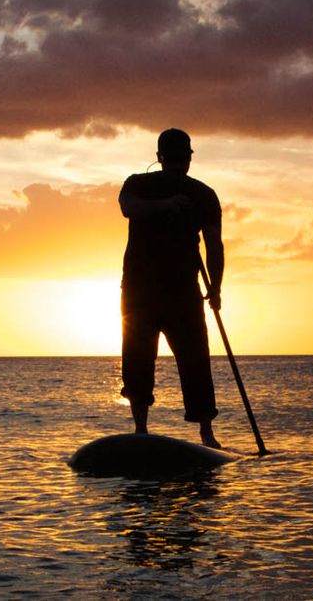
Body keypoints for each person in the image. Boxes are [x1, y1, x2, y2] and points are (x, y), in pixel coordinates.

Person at [119, 128, 223, 448]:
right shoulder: (138, 184)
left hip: (182, 292)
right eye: (174, 158)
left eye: (183, 158)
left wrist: (216, 288)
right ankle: (140, 429)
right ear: (160, 158)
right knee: (137, 359)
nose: (179, 164)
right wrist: (166, 206)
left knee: (195, 361)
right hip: (139, 292)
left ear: (189, 158)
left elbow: (214, 245)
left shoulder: (203, 195)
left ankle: (206, 434)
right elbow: (127, 206)